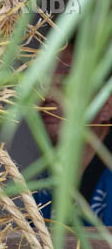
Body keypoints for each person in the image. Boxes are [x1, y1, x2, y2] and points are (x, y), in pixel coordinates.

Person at [34, 40, 112, 223]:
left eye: (66, 80)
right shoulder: (43, 188)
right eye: (42, 83)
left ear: (107, 105)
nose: (47, 96)